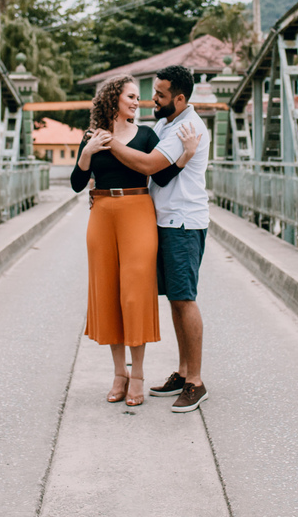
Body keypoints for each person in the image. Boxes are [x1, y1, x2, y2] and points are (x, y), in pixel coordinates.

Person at [70, 74, 200, 407]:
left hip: (138, 212)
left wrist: (185, 156)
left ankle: (138, 375)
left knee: (134, 293)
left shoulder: (147, 134)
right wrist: (87, 152)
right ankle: (119, 374)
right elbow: (76, 182)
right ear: (113, 99)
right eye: (130, 95)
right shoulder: (93, 136)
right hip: (102, 213)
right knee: (110, 293)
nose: (137, 101)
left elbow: (160, 173)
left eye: (138, 96)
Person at [109, 65, 211, 413]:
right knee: (175, 300)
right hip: (166, 222)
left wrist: (109, 144)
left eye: (162, 94)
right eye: (155, 91)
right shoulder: (166, 124)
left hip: (183, 223)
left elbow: (151, 167)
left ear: (180, 99)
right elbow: (166, 177)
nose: (154, 98)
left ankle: (196, 382)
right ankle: (183, 373)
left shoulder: (187, 126)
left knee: (185, 299)